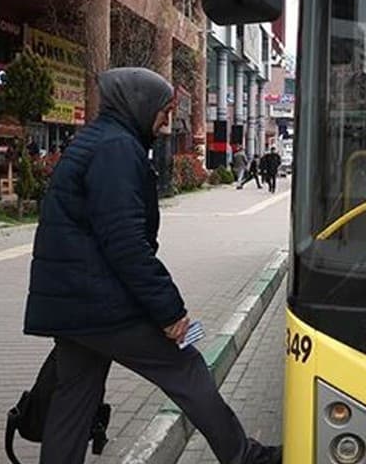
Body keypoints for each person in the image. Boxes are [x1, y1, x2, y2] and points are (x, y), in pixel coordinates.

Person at [24, 67, 280, 464]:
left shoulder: (95, 141)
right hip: (101, 304)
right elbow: (126, 243)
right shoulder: (115, 149)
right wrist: (169, 312)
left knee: (73, 404)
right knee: (186, 367)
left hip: (73, 305)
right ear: (139, 104)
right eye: (163, 112)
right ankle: (245, 457)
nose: (165, 123)